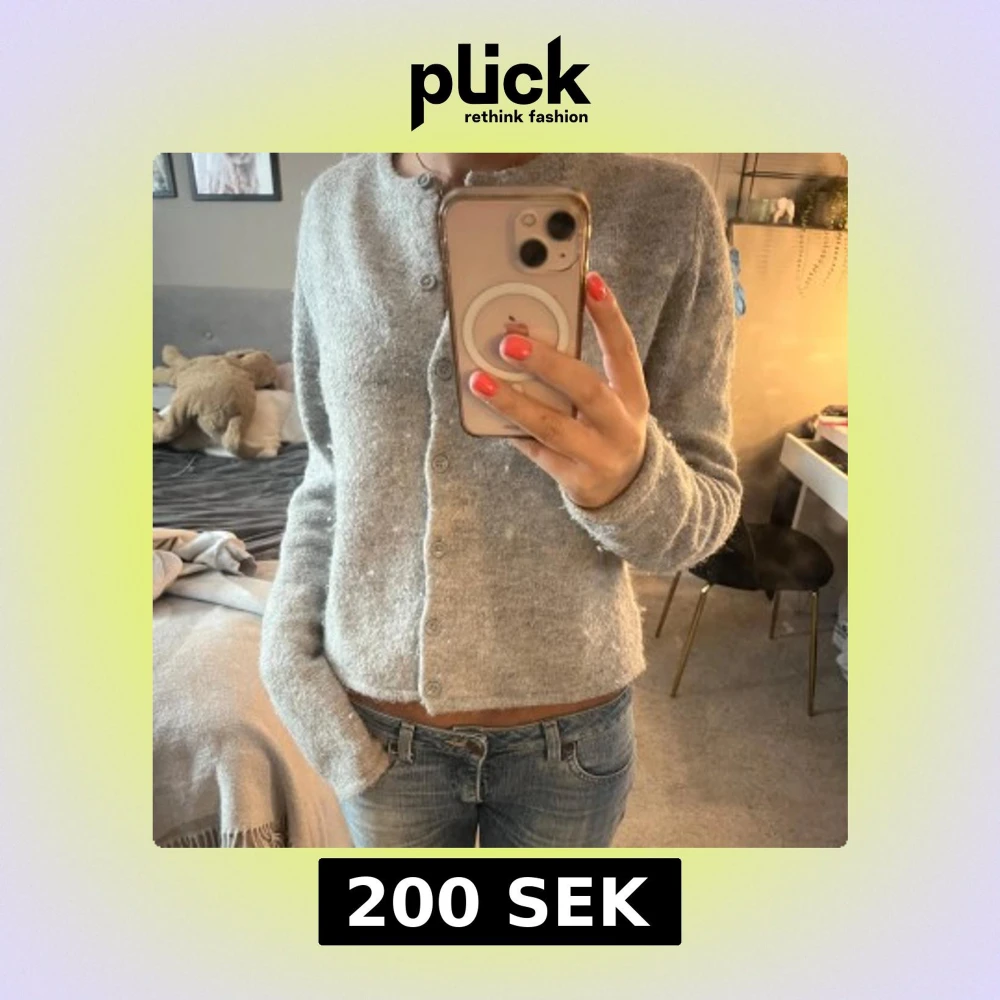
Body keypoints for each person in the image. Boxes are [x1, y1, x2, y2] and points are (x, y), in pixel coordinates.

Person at [260, 152, 742, 847]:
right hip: (380, 733)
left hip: (570, 744)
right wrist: (284, 650)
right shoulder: (336, 207)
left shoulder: (668, 207)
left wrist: (629, 485)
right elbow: (330, 471)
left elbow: (706, 510)